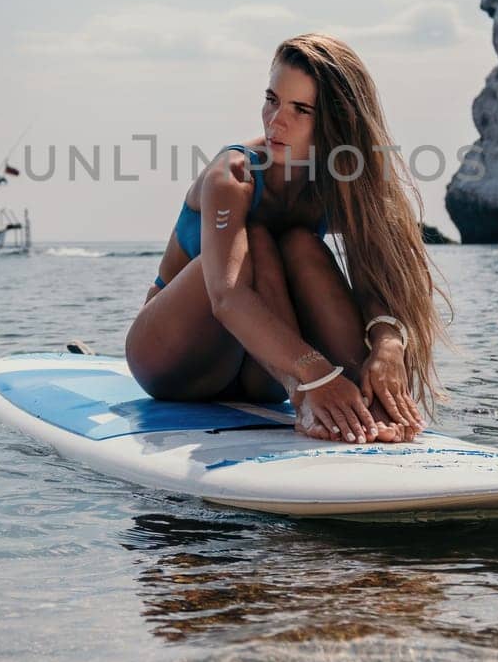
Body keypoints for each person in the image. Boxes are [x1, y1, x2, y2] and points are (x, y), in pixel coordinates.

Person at [125, 33, 452, 445]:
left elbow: (377, 277)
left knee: (300, 244)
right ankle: (314, 397)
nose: (275, 120)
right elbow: (227, 296)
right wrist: (315, 374)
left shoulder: (341, 183)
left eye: (300, 109)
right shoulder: (233, 175)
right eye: (271, 99)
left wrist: (388, 345)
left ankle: (370, 402)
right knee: (257, 240)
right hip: (176, 355)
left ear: (336, 121)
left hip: (268, 370)